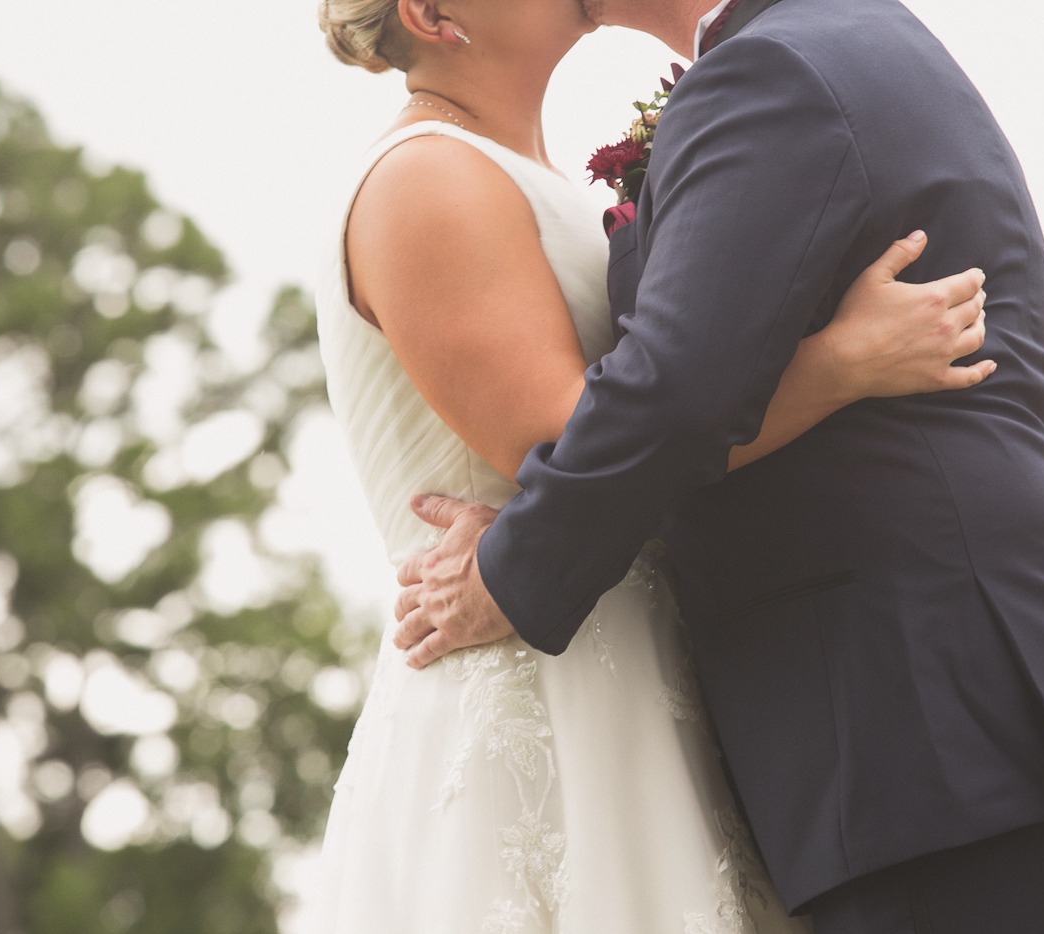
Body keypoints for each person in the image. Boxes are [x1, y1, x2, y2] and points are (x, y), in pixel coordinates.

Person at [391, 0, 1044, 932]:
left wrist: (508, 574)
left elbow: (676, 394)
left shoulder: (776, 69)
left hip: (940, 721)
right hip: (993, 703)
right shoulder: (843, 34)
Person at [307, 0, 995, 928]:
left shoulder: (512, 171)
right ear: (434, 14)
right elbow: (574, 440)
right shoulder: (425, 180)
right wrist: (836, 366)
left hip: (639, 664)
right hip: (534, 687)